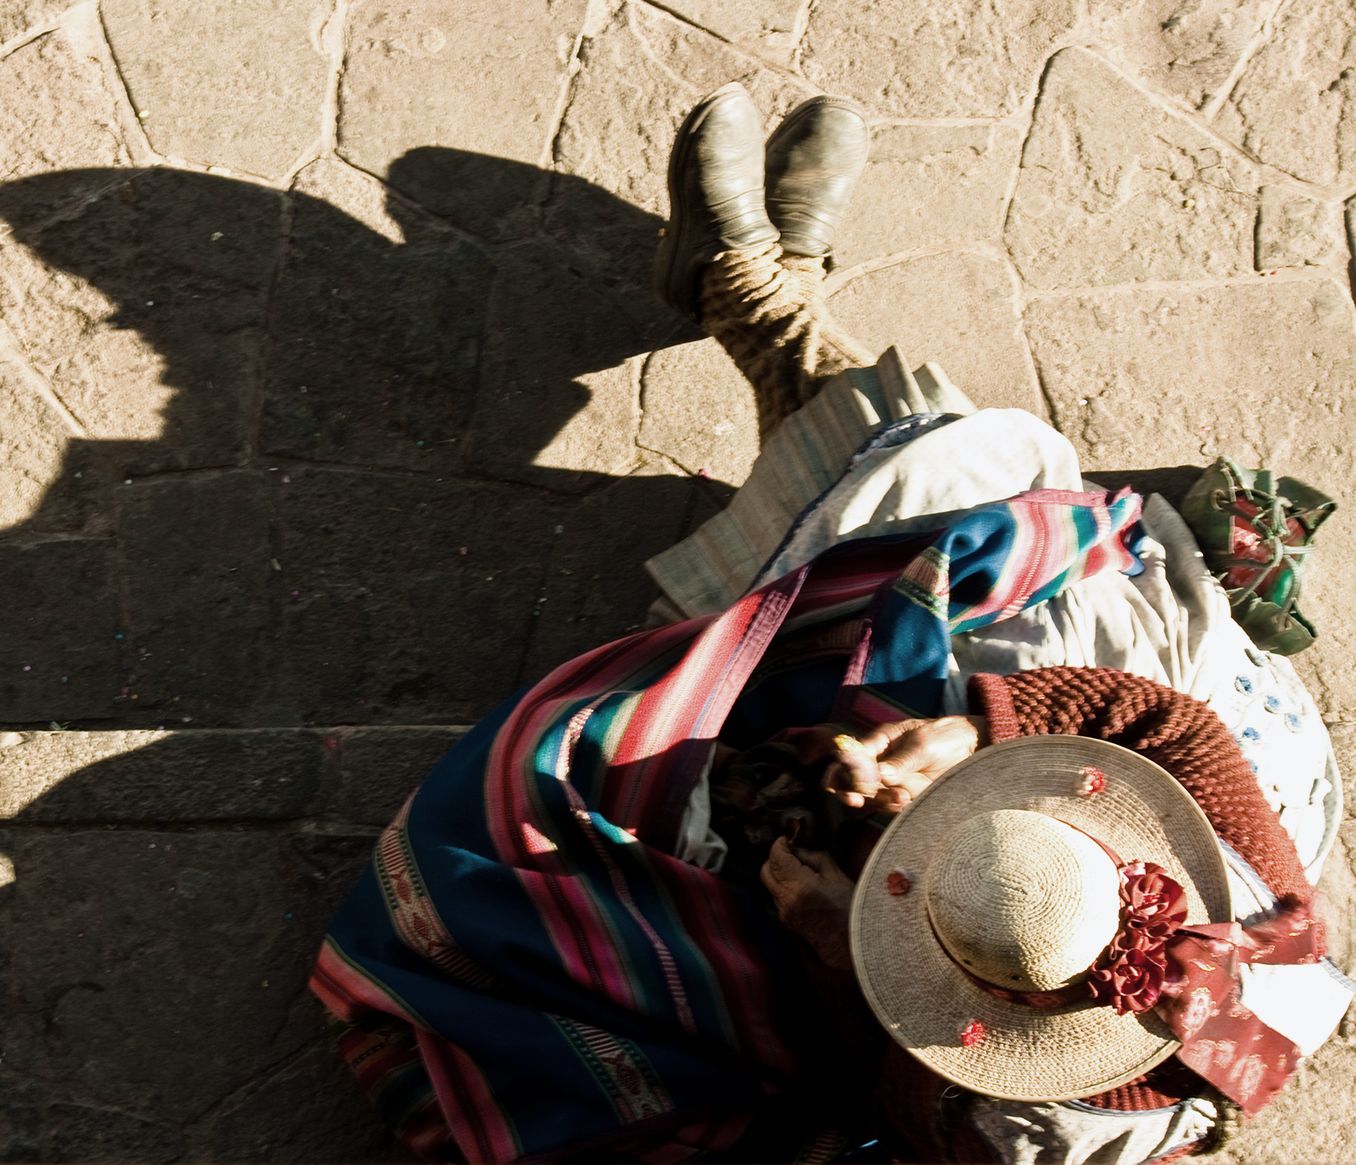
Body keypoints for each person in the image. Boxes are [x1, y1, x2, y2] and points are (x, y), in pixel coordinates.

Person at [310, 84, 1352, 1164]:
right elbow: (1173, 729)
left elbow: (865, 1077)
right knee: (995, 560)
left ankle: (761, 309)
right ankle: (765, 312)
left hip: (870, 996)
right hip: (1110, 822)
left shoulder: (990, 1122)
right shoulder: (1258, 918)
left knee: (660, 779)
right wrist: (979, 733)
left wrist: (822, 931)